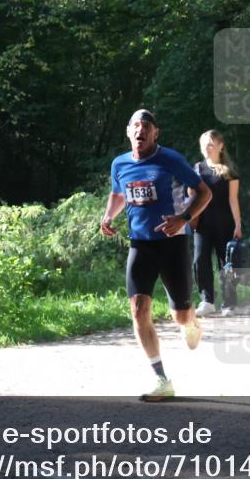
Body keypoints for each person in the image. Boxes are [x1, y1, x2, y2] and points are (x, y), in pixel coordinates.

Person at [101, 109, 212, 401]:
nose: (140, 130)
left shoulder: (171, 159)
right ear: (128, 132)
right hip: (141, 245)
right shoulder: (120, 164)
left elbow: (204, 193)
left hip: (172, 243)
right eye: (135, 126)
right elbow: (118, 194)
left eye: (146, 126)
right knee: (138, 309)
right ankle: (161, 379)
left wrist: (184, 218)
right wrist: (109, 217)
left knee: (180, 316)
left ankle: (191, 321)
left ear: (155, 133)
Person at [190, 129, 242, 318]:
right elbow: (190, 195)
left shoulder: (230, 171)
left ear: (221, 146)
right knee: (199, 260)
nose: (207, 147)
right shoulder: (196, 169)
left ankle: (229, 302)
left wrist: (238, 224)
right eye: (204, 144)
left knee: (226, 263)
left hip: (225, 222)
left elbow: (233, 200)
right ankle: (207, 301)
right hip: (202, 223)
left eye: (211, 144)